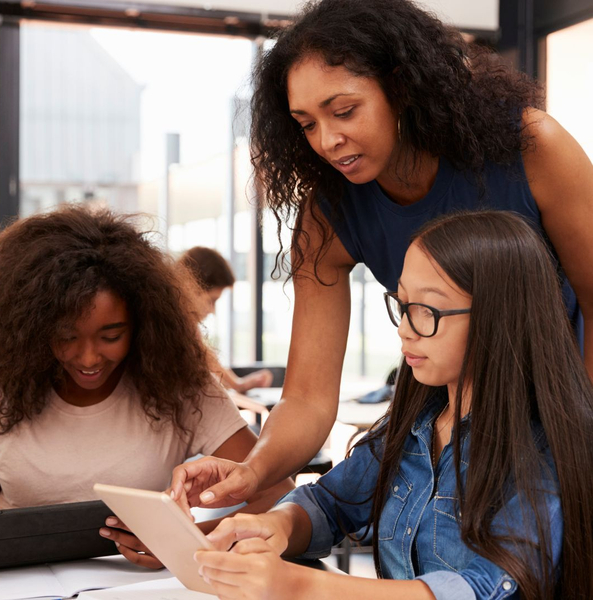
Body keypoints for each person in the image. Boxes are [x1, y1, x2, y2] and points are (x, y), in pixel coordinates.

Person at [168, 0, 593, 510]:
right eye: (305, 123)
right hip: (455, 429)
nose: (327, 140)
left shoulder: (531, 146)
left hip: (566, 412)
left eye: (344, 111)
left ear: (403, 87)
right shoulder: (329, 213)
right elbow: (306, 397)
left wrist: (574, 442)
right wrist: (252, 471)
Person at [192, 211, 593, 600]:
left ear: (500, 316)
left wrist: (299, 587)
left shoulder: (545, 451)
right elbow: (328, 502)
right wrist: (275, 526)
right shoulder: (412, 429)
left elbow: (484, 586)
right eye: (402, 304)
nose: (404, 329)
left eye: (427, 311)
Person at [0, 206, 293, 569]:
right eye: (66, 337)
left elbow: (280, 494)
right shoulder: (2, 388)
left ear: (142, 323)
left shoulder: (180, 388)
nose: (88, 358)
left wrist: (188, 542)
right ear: (33, 328)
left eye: (111, 335)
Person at [179, 246, 273, 393]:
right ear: (190, 287)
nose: (212, 310)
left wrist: (238, 384)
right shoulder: (176, 324)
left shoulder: (185, 327)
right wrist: (238, 384)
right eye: (212, 300)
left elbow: (206, 357)